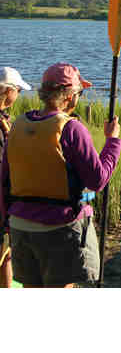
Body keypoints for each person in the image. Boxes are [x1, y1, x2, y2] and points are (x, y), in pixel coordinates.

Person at [0, 63, 121, 288]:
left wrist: (7, 221)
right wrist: (112, 142)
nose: (79, 98)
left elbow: (4, 181)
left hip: (21, 227)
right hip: (59, 227)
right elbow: (98, 180)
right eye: (79, 92)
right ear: (69, 96)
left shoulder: (16, 125)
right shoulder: (72, 129)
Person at [0, 67, 32, 288]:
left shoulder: (5, 120)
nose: (19, 94)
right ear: (7, 90)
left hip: (7, 199)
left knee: (7, 252)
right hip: (2, 199)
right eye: (18, 90)